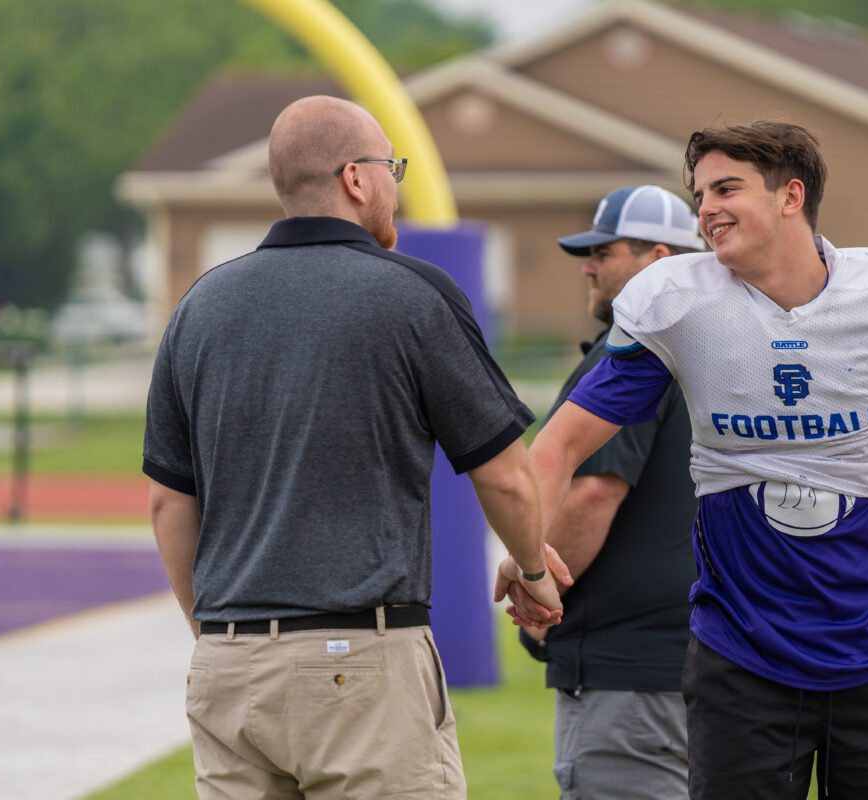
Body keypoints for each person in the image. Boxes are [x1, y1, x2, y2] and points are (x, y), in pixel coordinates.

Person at [508, 121, 868, 800]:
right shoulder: (679, 304)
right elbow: (558, 447)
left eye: (727, 188)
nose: (706, 209)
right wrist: (527, 558)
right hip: (742, 654)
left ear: (791, 196)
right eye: (699, 194)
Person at [144, 95, 566, 800]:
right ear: (356, 178)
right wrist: (533, 570)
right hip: (358, 659)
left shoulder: (198, 307)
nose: (395, 184)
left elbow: (167, 501)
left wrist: (218, 636)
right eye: (391, 167)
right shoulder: (411, 295)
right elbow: (506, 475)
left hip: (226, 660)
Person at [517, 185, 702, 799]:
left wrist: (541, 598)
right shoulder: (720, 349)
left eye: (604, 250)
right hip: (709, 664)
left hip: (628, 674)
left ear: (655, 258)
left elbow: (593, 492)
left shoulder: (630, 355)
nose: (589, 265)